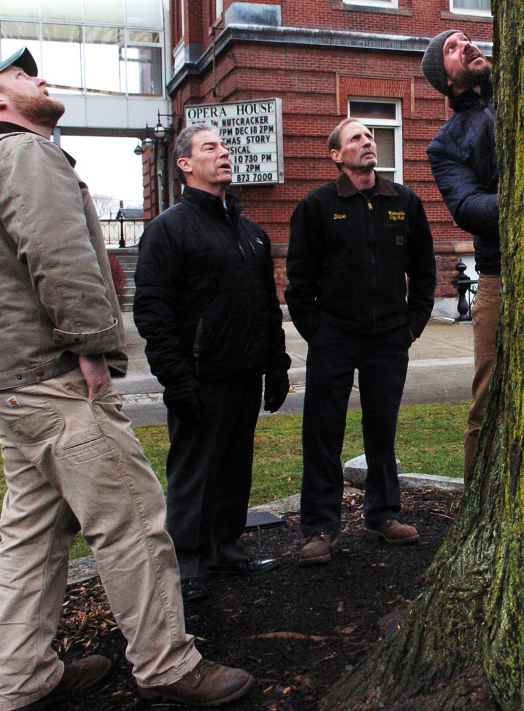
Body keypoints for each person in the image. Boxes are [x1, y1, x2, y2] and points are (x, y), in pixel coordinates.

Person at [0, 49, 254, 710]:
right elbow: (57, 252)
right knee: (133, 519)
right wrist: (91, 344)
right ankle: (168, 663)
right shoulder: (26, 154)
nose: (40, 78)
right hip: (56, 379)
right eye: (21, 74)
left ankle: (24, 677)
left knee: (32, 534)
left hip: (9, 381)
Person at [134, 123, 291, 603]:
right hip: (198, 378)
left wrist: (277, 363)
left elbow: (267, 303)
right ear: (185, 164)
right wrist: (176, 378)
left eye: (225, 146)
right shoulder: (168, 229)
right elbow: (152, 313)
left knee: (233, 465)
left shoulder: (251, 232)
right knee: (194, 471)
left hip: (244, 371)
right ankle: (187, 561)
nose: (224, 153)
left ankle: (225, 546)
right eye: (211, 147)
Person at [286, 118, 436, 566]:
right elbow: (298, 282)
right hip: (334, 337)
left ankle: (384, 514)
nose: (367, 141)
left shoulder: (404, 202)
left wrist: (412, 325)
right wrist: (320, 333)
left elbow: (424, 271)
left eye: (370, 136)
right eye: (356, 137)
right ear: (336, 155)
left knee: (382, 432)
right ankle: (320, 528)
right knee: (323, 433)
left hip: (389, 338)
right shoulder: (317, 206)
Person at [422, 30, 499, 478]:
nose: (467, 45)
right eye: (452, 48)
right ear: (446, 81)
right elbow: (467, 207)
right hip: (498, 275)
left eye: (466, 39)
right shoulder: (446, 142)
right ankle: (477, 499)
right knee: (486, 398)